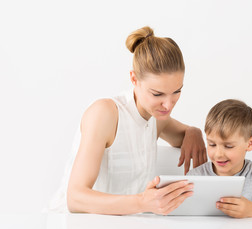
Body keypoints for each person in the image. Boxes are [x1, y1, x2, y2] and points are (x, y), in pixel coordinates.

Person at [48, 26, 207, 215]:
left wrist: (194, 131)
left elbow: (184, 134)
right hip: (72, 225)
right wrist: (142, 202)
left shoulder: (158, 117)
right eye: (157, 94)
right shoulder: (105, 113)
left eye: (177, 91)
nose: (168, 104)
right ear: (134, 79)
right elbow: (75, 198)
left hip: (121, 227)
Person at [186, 99, 252, 218]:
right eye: (212, 144)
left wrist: (251, 209)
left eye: (228, 146)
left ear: (250, 143)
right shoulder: (196, 176)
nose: (219, 154)